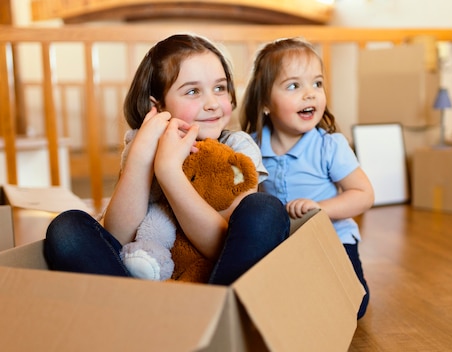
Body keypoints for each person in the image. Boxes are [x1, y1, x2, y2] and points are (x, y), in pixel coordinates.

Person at [44, 33, 290, 285]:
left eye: (220, 88)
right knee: (66, 227)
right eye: (193, 91)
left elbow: (221, 247)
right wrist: (141, 156)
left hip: (211, 281)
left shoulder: (237, 148)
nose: (213, 103)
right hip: (146, 280)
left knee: (266, 208)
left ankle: (217, 314)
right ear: (158, 106)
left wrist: (169, 171)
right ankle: (130, 311)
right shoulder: (141, 144)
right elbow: (117, 236)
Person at [240, 37, 375, 319]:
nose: (310, 94)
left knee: (355, 305)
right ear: (265, 102)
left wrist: (321, 208)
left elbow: (363, 194)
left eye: (317, 83)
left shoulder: (330, 145)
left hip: (333, 239)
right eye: (294, 85)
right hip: (283, 245)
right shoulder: (251, 147)